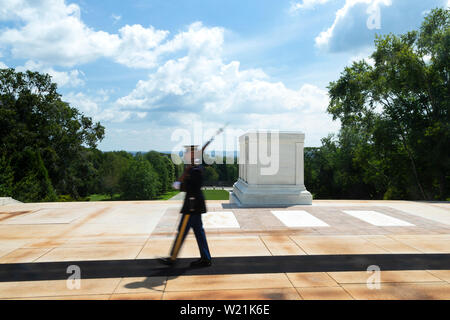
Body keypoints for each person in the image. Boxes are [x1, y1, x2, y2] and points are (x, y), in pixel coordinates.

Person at [158, 145, 212, 268]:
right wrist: (186, 173)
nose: (184, 155)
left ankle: (173, 258)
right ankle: (206, 258)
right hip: (194, 206)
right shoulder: (193, 169)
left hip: (191, 207)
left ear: (192, 155)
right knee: (199, 232)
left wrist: (183, 178)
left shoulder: (195, 170)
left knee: (182, 232)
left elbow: (184, 187)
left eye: (187, 153)